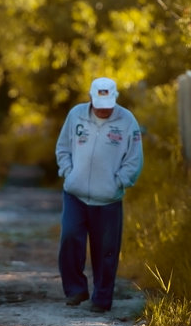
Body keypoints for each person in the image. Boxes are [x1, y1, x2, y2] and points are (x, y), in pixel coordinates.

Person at [55, 77, 143, 313]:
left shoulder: (127, 121)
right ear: (91, 98)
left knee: (106, 250)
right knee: (70, 237)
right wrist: (67, 171)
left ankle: (102, 299)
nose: (103, 109)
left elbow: (134, 158)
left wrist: (120, 182)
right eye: (99, 103)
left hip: (108, 199)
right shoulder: (76, 115)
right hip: (75, 193)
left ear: (114, 99)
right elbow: (63, 147)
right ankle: (75, 289)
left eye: (108, 104)